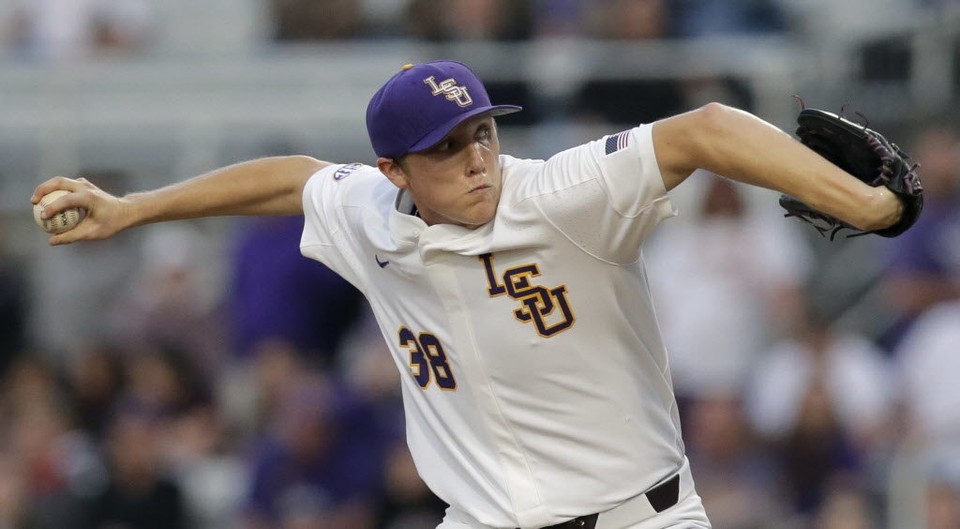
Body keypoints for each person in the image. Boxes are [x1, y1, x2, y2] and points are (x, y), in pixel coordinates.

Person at [32, 60, 906, 529]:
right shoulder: (368, 212)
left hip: (638, 518)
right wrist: (133, 209)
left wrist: (870, 204)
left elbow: (709, 130)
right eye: (449, 148)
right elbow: (292, 179)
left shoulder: (563, 196)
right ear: (395, 169)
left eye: (483, 132)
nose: (478, 157)